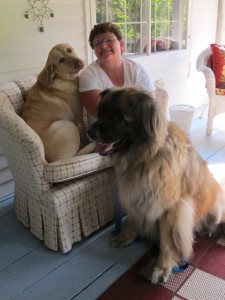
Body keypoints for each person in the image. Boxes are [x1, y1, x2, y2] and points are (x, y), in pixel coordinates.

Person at [79, 22, 156, 124]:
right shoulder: (88, 75)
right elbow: (101, 113)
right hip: (104, 136)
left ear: (121, 45)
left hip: (137, 134)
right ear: (94, 50)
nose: (103, 45)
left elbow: (150, 107)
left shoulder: (137, 70)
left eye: (109, 40)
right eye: (97, 43)